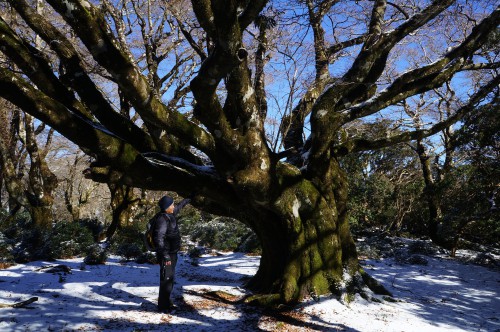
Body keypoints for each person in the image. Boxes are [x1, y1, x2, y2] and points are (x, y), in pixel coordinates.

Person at [153, 195, 191, 313]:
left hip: (172, 253)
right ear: (167, 207)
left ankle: (166, 302)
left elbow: (180, 206)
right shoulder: (162, 220)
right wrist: (165, 256)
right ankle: (163, 307)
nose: (174, 206)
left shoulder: (170, 214)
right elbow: (158, 239)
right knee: (166, 280)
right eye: (172, 204)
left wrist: (190, 197)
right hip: (167, 255)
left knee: (169, 279)